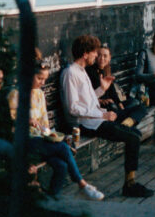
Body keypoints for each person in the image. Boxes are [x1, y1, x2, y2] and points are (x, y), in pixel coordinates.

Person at [61, 34, 154, 198]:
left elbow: (88, 102)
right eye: (94, 52)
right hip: (86, 124)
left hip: (96, 119)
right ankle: (129, 185)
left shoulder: (81, 71)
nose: (96, 56)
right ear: (85, 53)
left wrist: (102, 90)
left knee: (136, 134)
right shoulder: (70, 73)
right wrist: (103, 116)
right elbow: (73, 108)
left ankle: (130, 181)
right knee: (133, 138)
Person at [29, 59, 104, 200]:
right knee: (63, 148)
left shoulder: (39, 94)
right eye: (39, 78)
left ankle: (51, 200)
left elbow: (44, 125)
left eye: (45, 79)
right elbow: (9, 121)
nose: (43, 83)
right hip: (26, 141)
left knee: (61, 165)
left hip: (40, 142)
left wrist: (51, 135)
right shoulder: (18, 94)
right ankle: (82, 185)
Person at [86, 43, 147, 126]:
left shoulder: (106, 70)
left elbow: (112, 91)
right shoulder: (89, 71)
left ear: (109, 58)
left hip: (113, 104)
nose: (102, 59)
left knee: (136, 102)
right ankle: (125, 121)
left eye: (105, 56)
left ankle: (125, 124)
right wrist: (100, 100)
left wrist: (119, 103)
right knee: (114, 106)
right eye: (99, 55)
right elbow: (87, 95)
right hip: (102, 107)